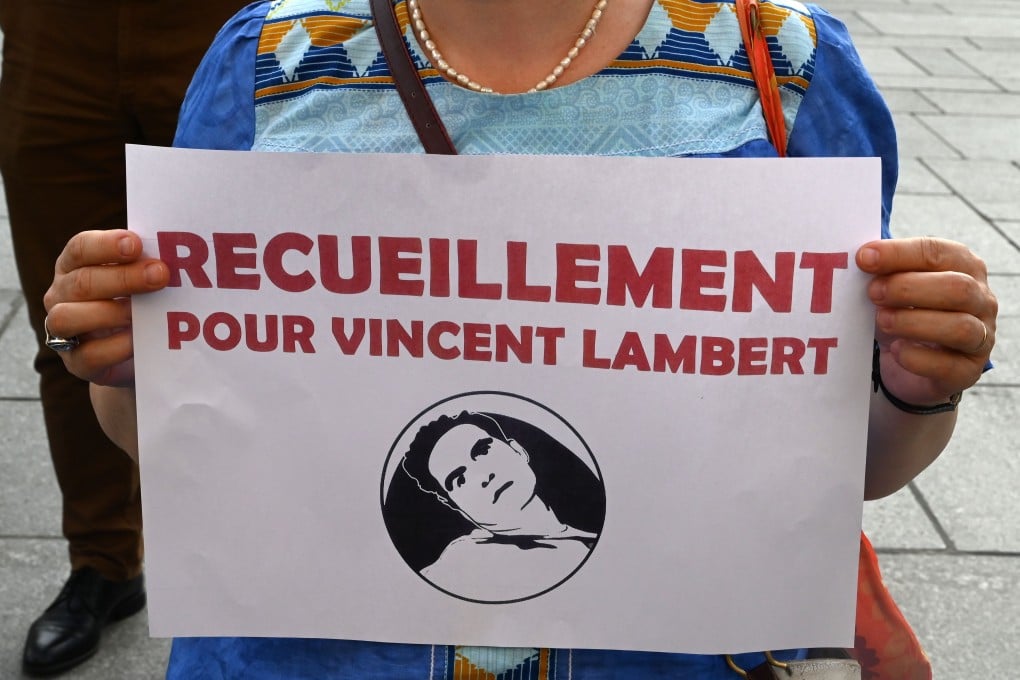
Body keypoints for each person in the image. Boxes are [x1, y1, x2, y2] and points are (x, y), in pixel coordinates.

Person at [40, 0, 998, 677]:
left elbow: (852, 469)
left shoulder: (786, 65)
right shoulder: (268, 61)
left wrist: (919, 384)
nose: (480, 477)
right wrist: (127, 370)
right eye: (456, 474)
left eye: (478, 455)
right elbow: (195, 449)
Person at [0, 1, 246, 675]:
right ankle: (103, 562)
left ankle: (281, 558)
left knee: (262, 325)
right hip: (55, 32)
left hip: (227, 20)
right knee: (71, 327)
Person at [397, 411, 600, 601]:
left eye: (484, 450)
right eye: (460, 479)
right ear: (454, 505)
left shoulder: (593, 541)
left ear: (518, 450)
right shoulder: (459, 565)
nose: (485, 476)